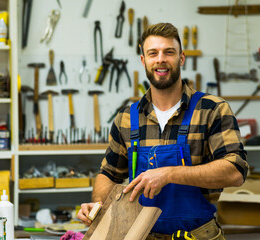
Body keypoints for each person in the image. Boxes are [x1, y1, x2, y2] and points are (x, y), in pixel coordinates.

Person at [78, 22, 248, 240]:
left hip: (198, 236)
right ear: (143, 60)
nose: (161, 59)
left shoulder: (212, 109)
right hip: (140, 235)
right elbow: (108, 174)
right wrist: (98, 204)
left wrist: (168, 173)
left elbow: (235, 171)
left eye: (169, 52)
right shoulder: (127, 118)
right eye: (153, 53)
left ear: (181, 58)